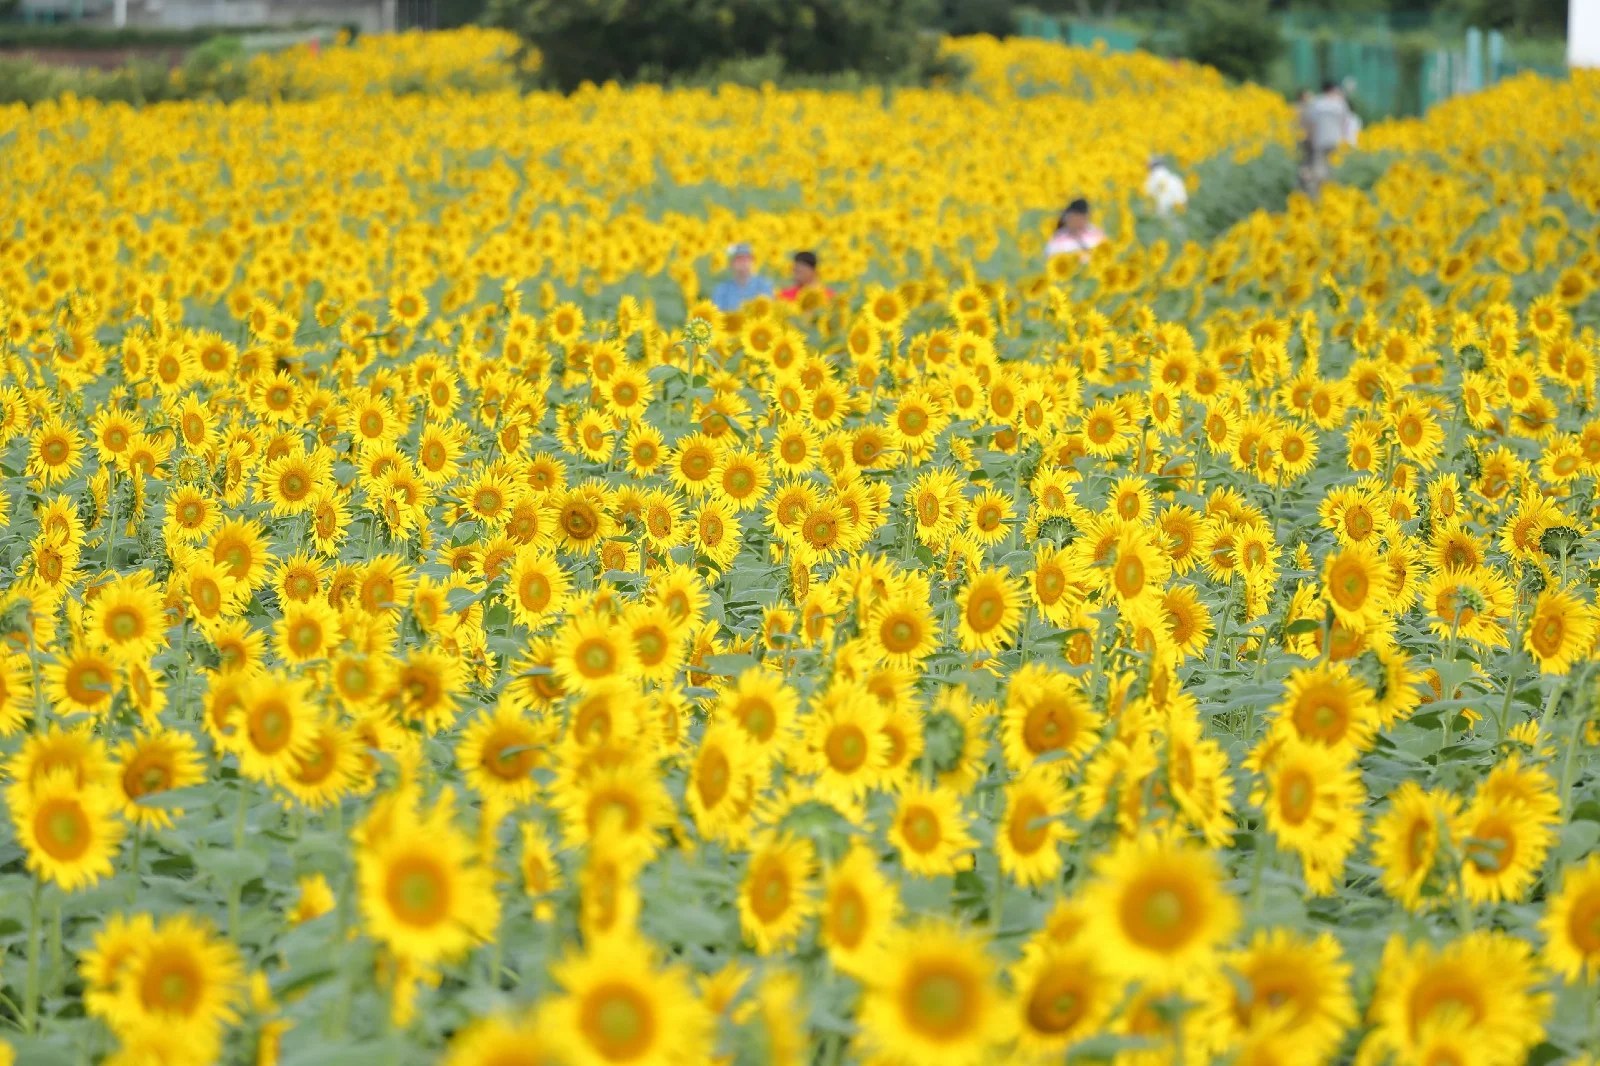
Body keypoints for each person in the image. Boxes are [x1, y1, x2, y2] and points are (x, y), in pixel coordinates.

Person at [1299, 81, 1352, 202]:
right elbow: (1346, 121)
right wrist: (1346, 138)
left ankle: (1319, 196)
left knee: (1320, 170)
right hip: (1336, 141)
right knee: (1335, 169)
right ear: (1333, 89)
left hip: (1320, 140)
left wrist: (1310, 138)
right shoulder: (1340, 103)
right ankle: (1334, 196)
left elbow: (1310, 122)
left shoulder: (1318, 103)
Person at [711, 242, 773, 312]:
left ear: (753, 262)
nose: (743, 263)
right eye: (739, 259)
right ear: (731, 263)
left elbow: (768, 312)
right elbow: (717, 315)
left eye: (747, 259)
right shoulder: (722, 289)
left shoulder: (764, 285)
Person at [1045, 198, 1105, 263]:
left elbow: (1106, 256)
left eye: (1077, 217)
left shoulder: (1096, 234)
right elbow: (1050, 259)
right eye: (1070, 217)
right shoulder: (1058, 238)